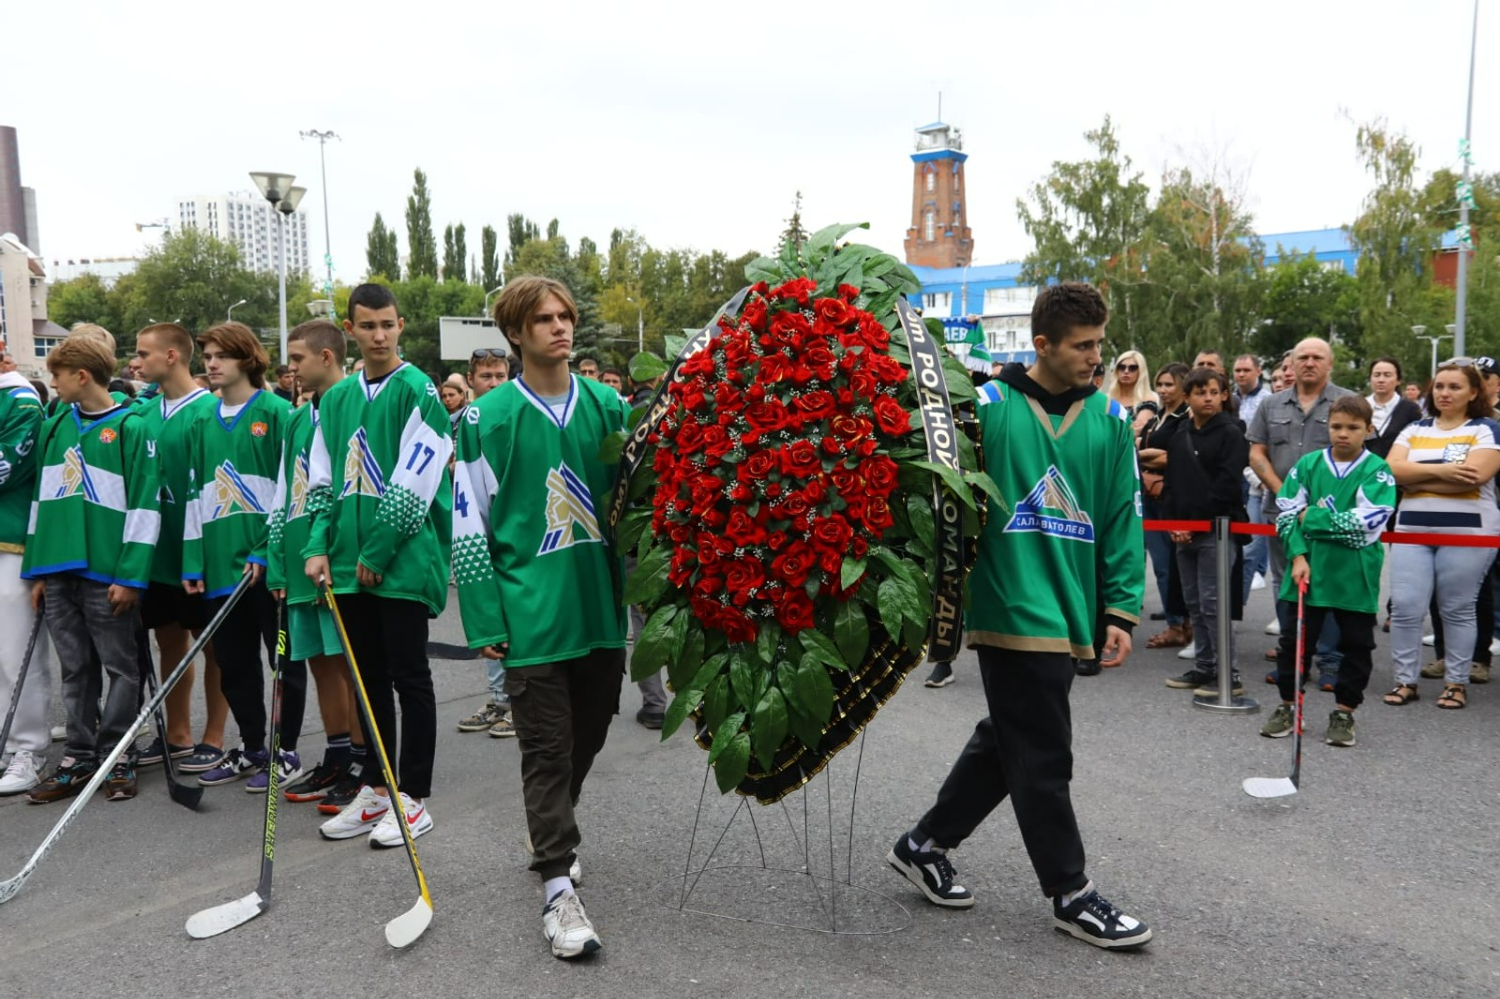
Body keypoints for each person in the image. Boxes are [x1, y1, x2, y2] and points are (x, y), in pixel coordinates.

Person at [885, 281, 1151, 950]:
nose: (1097, 357)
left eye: (1100, 344)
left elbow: (1123, 517)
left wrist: (1119, 607)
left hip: (1073, 605)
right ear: (1042, 345)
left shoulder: (1112, 423)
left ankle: (923, 843)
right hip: (1008, 600)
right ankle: (1071, 891)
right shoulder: (985, 408)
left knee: (1012, 737)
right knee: (1044, 750)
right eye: (1083, 346)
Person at [452, 275, 630, 959]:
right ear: (516, 333)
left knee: (586, 740)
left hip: (598, 611)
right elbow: (469, 525)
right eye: (545, 319)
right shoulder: (485, 419)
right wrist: (486, 617)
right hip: (529, 616)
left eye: (566, 316)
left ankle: (552, 828)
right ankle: (557, 887)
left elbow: (636, 502)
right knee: (547, 751)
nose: (560, 327)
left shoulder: (610, 407)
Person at [305, 283, 450, 848]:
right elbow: (321, 482)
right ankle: (377, 786)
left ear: (401, 324)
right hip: (345, 565)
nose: (379, 335)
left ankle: (413, 795)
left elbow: (417, 477)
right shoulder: (335, 400)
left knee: (409, 676)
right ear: (350, 331)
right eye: (367, 326)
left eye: (387, 324)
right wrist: (317, 545)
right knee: (366, 680)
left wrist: (376, 551)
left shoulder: (420, 391)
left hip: (401, 563)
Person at [22, 335, 160, 803]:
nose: (51, 384)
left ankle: (119, 751)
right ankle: (79, 755)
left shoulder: (131, 427)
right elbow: (42, 499)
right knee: (76, 669)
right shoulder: (55, 426)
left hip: (108, 574)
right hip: (60, 570)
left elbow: (145, 506)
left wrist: (130, 575)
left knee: (121, 666)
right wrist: (38, 570)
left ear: (81, 376)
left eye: (56, 376)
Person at [184, 323, 302, 790]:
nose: (211, 363)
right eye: (208, 355)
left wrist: (266, 549)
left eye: (221, 356)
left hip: (267, 567)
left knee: (284, 664)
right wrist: (193, 560)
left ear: (247, 359)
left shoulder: (278, 413)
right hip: (218, 568)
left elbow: (292, 490)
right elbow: (196, 495)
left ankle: (285, 750)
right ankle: (253, 747)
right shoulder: (200, 420)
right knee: (233, 666)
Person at [268, 320, 366, 805]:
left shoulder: (354, 405)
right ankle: (336, 753)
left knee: (352, 665)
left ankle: (365, 762)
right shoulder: (296, 417)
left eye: (298, 359)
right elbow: (285, 494)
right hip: (300, 556)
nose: (291, 369)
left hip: (339, 558)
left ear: (326, 358)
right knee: (323, 664)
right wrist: (277, 560)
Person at [1263, 396, 1395, 745]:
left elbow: (1368, 522)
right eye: (1337, 426)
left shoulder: (1377, 470)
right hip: (1308, 569)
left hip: (1355, 573)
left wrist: (1313, 518)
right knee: (1294, 643)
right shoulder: (1308, 464)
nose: (1343, 434)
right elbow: (1287, 513)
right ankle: (1289, 706)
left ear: (1368, 430)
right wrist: (1299, 554)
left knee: (1356, 644)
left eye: (1353, 428)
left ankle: (1344, 712)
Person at [132, 323, 231, 775]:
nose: (136, 361)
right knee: (168, 640)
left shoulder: (210, 409)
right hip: (159, 553)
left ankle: (214, 736)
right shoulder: (144, 413)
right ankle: (177, 734)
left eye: (143, 353)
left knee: (214, 647)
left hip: (201, 553)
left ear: (171, 356)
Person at [1384, 363, 1500, 711]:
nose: (1444, 393)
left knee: (1458, 608)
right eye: (1439, 387)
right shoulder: (1414, 428)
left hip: (1469, 533)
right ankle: (1405, 680)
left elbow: (1476, 476)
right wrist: (1445, 471)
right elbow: (1389, 471)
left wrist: (1416, 479)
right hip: (1410, 532)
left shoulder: (1486, 429)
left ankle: (1456, 683)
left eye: (1454, 387)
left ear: (1473, 393)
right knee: (1405, 607)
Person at [1246, 338, 1355, 687]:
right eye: (1302, 357)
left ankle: (1331, 661)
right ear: (1291, 364)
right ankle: (1293, 660)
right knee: (1286, 585)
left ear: (1330, 363)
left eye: (1317, 357)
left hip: (1330, 516)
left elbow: (1356, 456)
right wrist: (1286, 495)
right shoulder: (1271, 404)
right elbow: (1257, 454)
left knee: (1329, 585)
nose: (1309, 363)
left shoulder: (1347, 403)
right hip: (1281, 512)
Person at [1159, 367, 1249, 695]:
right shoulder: (1180, 430)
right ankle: (1204, 666)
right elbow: (1171, 483)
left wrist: (1193, 525)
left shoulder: (1233, 433)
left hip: (1216, 530)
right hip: (1182, 531)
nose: (1207, 398)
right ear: (1187, 397)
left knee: (1215, 603)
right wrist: (1173, 523)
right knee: (1194, 602)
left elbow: (1227, 486)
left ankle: (1229, 674)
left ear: (1224, 394)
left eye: (1214, 391)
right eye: (1199, 392)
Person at [455, 346, 518, 740]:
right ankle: (499, 697)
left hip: (515, 537)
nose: (493, 383)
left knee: (516, 622)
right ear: (471, 382)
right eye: (486, 377)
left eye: (500, 376)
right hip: (480, 533)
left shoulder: (516, 414)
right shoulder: (466, 422)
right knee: (492, 623)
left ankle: (517, 703)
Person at [0, 365, 49, 795]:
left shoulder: (19, 400)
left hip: (12, 542)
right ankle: (8, 738)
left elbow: (5, 466)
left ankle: (29, 747)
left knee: (17, 654)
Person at [1140, 363, 1191, 649]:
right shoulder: (1159, 417)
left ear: (1183, 386)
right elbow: (1138, 448)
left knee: (1179, 563)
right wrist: (1148, 454)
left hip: (1174, 496)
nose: (1163, 389)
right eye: (1160, 384)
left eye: (1169, 384)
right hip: (1148, 497)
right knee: (1161, 564)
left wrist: (1146, 455)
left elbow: (1175, 457)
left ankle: (1189, 623)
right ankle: (1175, 624)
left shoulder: (1185, 418)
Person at [1232, 355, 1270, 599]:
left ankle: (1259, 570)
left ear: (1258, 371)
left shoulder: (1268, 402)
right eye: (1237, 370)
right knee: (1242, 542)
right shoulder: (1229, 400)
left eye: (1246, 370)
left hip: (1260, 478)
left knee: (1256, 539)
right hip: (1236, 473)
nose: (1241, 374)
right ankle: (1234, 609)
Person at [1365, 357, 1422, 460]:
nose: (1381, 380)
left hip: (1398, 471)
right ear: (1370, 378)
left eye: (1387, 375)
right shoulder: (1359, 406)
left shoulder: (1410, 409)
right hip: (1362, 471)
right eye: (1377, 375)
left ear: (1398, 380)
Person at [1101, 350, 1159, 442]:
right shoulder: (1106, 399)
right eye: (1121, 367)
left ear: (1141, 371)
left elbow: (1137, 431)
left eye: (1132, 368)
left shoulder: (1148, 399)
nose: (1126, 371)